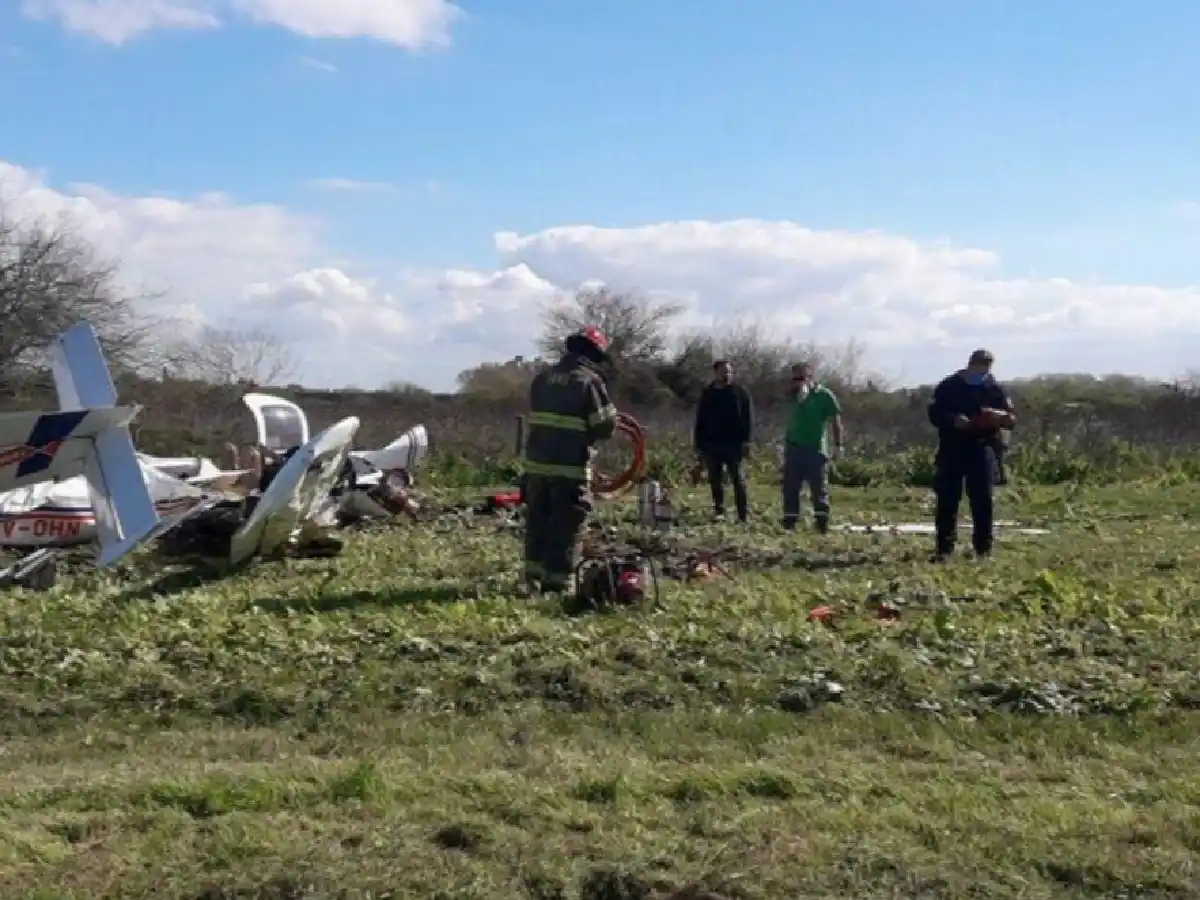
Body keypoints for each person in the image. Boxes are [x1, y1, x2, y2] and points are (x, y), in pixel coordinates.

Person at [521, 326, 618, 593]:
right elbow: (603, 427)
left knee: (538, 521)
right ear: (593, 355)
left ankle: (532, 577)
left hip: (536, 466)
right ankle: (557, 583)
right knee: (567, 524)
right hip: (569, 467)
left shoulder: (542, 379)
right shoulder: (589, 381)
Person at [927, 348, 1016, 561]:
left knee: (982, 499)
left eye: (986, 366)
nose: (982, 370)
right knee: (948, 499)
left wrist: (998, 416)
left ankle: (983, 549)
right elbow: (934, 413)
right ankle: (944, 549)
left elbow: (1011, 419)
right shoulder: (949, 386)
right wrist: (953, 420)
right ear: (970, 364)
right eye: (979, 365)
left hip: (983, 446)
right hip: (952, 446)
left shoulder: (994, 389)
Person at [781, 362, 843, 533]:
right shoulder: (791, 396)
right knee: (790, 487)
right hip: (793, 448)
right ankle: (789, 522)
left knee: (819, 488)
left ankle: (822, 524)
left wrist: (838, 445)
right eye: (794, 378)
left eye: (801, 378)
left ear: (810, 378)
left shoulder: (824, 395)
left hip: (816, 450)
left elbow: (836, 421)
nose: (797, 382)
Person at [693, 359, 754, 522]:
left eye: (729, 371)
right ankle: (719, 510)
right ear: (716, 373)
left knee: (738, 479)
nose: (727, 374)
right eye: (723, 371)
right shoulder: (708, 394)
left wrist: (746, 440)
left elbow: (747, 418)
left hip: (734, 443)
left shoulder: (740, 393)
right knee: (715, 479)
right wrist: (699, 445)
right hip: (712, 443)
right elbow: (700, 420)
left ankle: (743, 514)